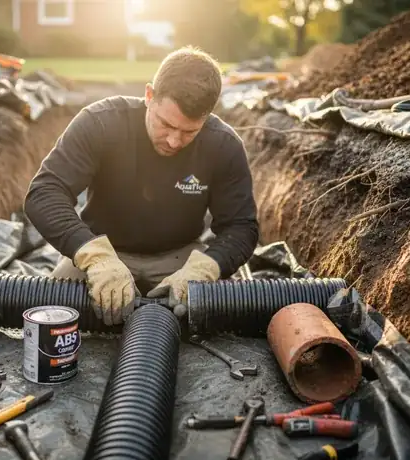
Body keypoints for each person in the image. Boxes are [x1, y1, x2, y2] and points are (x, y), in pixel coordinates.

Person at [23, 46, 259, 326]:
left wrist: (205, 268)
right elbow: (44, 193)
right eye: (166, 124)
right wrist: (94, 257)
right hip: (104, 254)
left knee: (232, 327)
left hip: (181, 259)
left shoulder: (223, 145)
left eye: (189, 132)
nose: (173, 141)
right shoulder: (101, 123)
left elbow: (242, 226)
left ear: (207, 116)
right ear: (149, 95)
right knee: (50, 320)